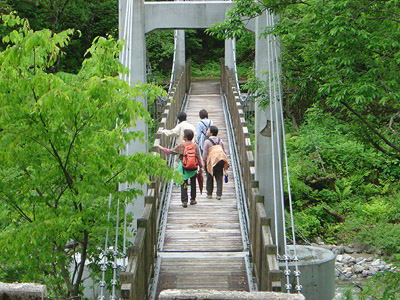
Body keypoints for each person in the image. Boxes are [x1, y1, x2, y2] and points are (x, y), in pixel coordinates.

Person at [158, 129, 202, 208]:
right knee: (193, 183)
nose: (182, 135)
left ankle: (184, 201)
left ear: (185, 137)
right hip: (193, 167)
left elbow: (170, 152)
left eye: (183, 135)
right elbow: (198, 157)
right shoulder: (195, 145)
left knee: (184, 183)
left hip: (184, 167)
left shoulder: (181, 145)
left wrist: (161, 148)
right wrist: (201, 166)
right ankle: (193, 199)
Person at [202, 126, 228, 200]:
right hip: (220, 161)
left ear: (211, 133)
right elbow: (224, 151)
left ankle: (209, 194)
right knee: (219, 177)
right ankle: (219, 194)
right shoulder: (220, 141)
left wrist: (203, 161)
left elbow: (205, 153)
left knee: (210, 177)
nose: (206, 131)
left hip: (211, 162)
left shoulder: (207, 142)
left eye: (208, 130)